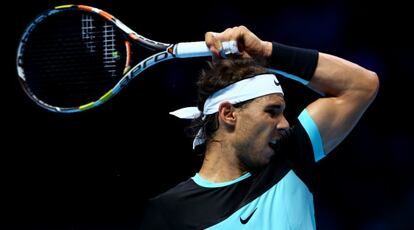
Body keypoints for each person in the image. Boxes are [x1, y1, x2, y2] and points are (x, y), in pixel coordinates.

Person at [139, 26, 379, 229]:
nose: (285, 124)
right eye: (272, 111)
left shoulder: (291, 157)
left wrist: (266, 52)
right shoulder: (168, 212)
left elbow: (362, 85)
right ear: (228, 114)